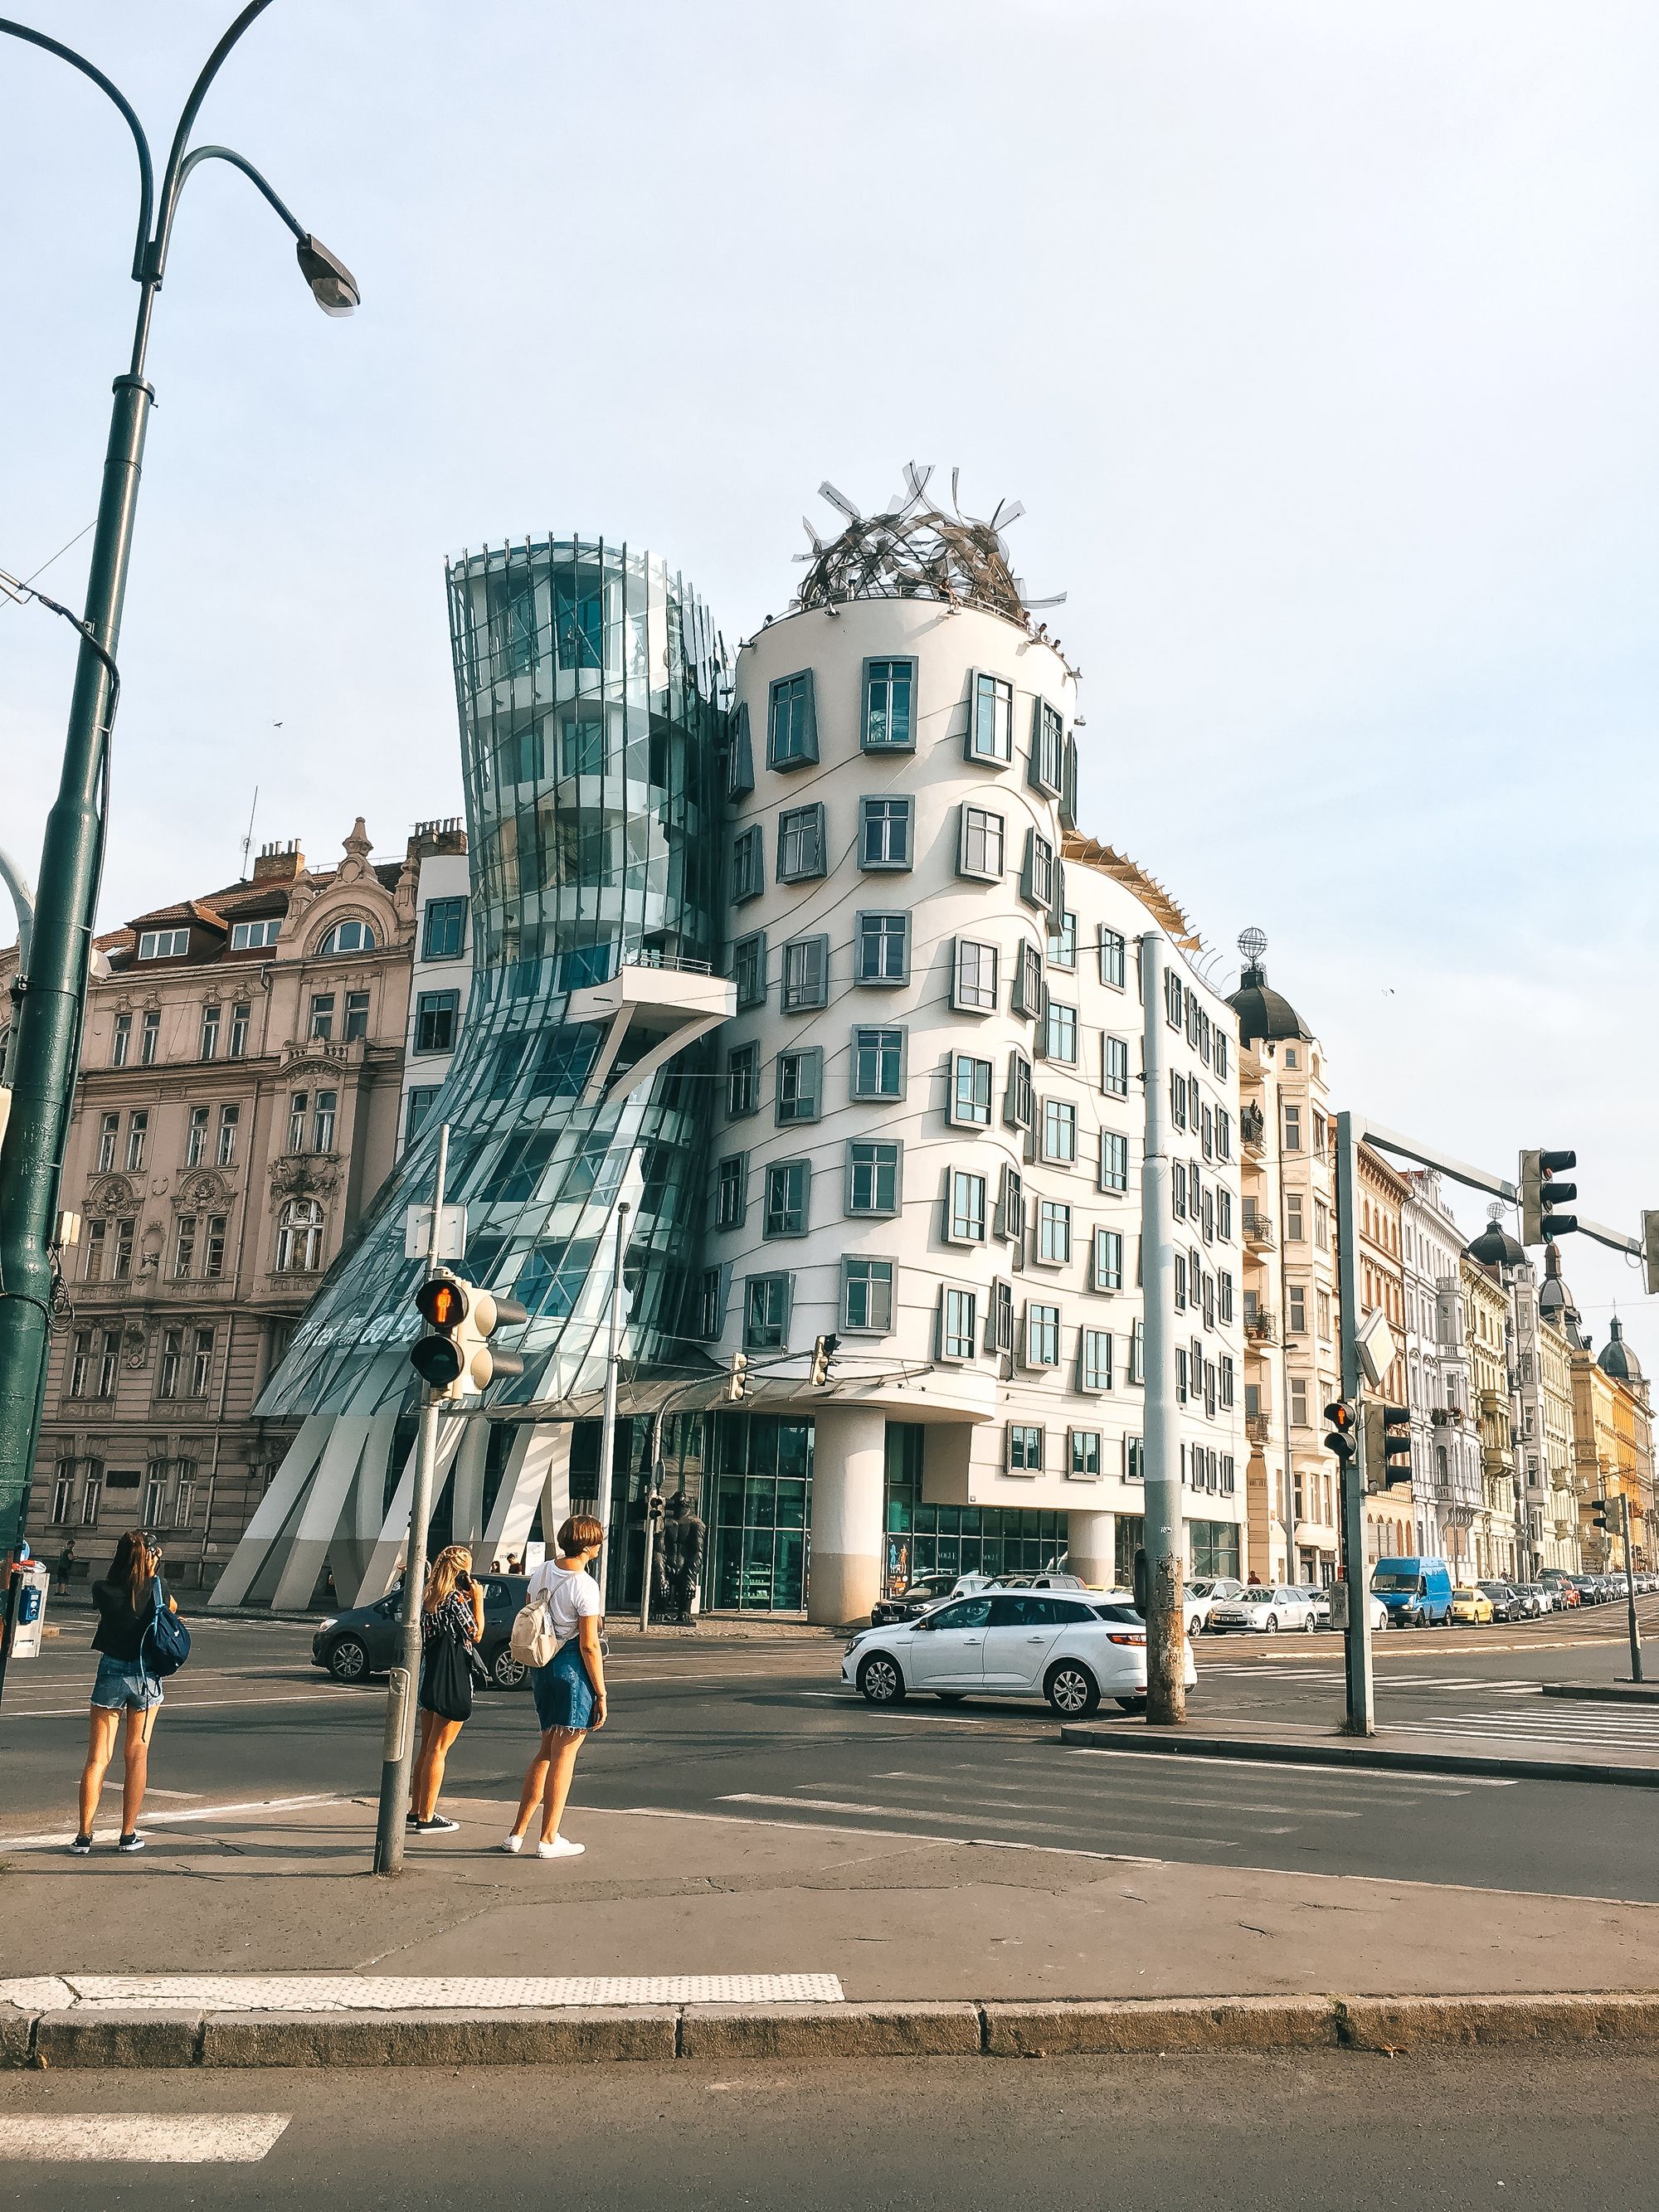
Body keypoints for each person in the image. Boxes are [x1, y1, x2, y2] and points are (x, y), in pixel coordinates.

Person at [503, 1515, 607, 1860]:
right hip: (571, 1669)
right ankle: (549, 1838)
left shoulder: (543, 1571)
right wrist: (601, 1693)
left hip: (542, 1667)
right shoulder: (585, 1585)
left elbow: (530, 1610)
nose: (599, 1546)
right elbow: (589, 1645)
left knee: (545, 1751)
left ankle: (517, 1833)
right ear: (588, 1546)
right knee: (565, 1755)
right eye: (598, 1541)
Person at [73, 1531, 178, 1855]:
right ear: (148, 1556)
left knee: (97, 1758)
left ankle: (84, 1836)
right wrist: (153, 1575)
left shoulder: (102, 1589)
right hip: (146, 1676)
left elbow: (117, 1608)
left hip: (111, 1672)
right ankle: (127, 1834)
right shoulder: (157, 1588)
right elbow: (172, 1610)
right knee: (137, 1754)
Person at [409, 1544, 484, 1835]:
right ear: (461, 1573)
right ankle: (427, 1816)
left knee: (427, 1745)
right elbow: (476, 1634)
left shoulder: (428, 1597)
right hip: (451, 1676)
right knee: (439, 1748)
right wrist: (478, 1601)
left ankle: (416, 1809)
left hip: (430, 1672)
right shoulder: (453, 1600)